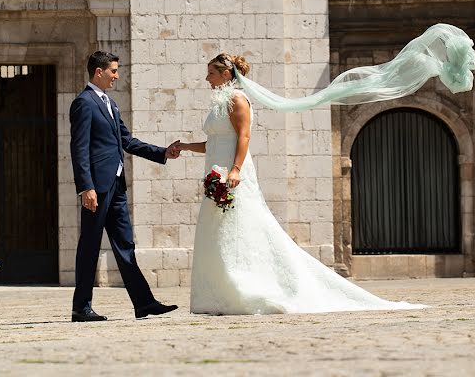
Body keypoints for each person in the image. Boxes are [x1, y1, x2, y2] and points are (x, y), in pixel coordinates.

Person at [178, 53, 426, 314]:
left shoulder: (238, 99)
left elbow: (244, 135)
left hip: (233, 176)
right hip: (215, 176)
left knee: (244, 226)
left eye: (212, 73)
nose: (207, 78)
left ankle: (249, 288)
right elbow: (215, 144)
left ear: (226, 74)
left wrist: (236, 169)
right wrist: (184, 147)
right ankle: (221, 293)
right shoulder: (219, 103)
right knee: (217, 230)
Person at [69, 51, 183, 321]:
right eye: (113, 71)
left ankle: (143, 303)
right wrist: (86, 187)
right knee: (90, 246)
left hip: (117, 186)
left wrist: (162, 152)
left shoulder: (109, 103)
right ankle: (81, 307)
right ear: (99, 72)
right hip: (97, 187)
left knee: (125, 244)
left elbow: (127, 141)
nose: (117, 76)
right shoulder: (84, 103)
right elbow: (79, 148)